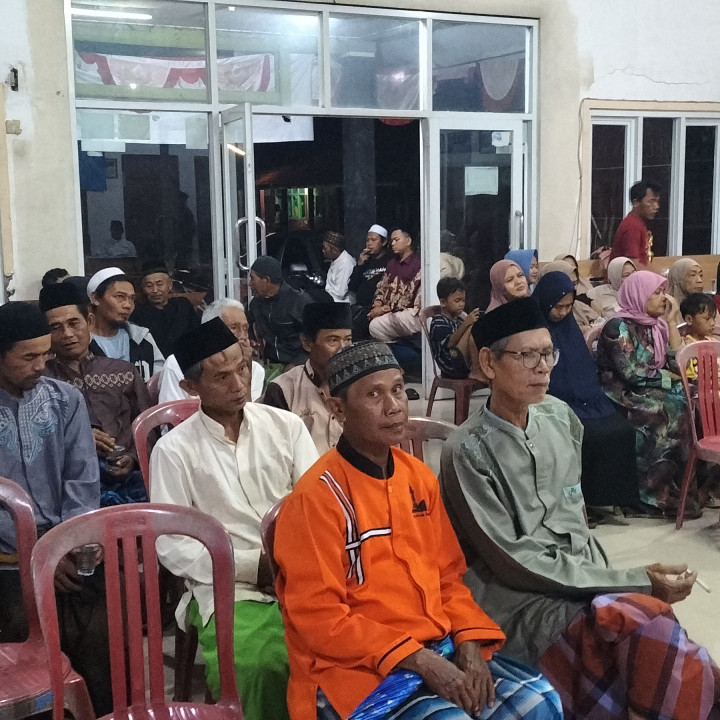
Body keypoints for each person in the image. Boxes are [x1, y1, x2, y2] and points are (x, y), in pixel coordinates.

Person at [439, 298, 720, 720]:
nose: (543, 368)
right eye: (527, 355)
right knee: (646, 624)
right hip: (518, 597)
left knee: (651, 630)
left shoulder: (560, 417)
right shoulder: (467, 451)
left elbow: (576, 520)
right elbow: (513, 561)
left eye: (548, 353)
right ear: (489, 363)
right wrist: (630, 581)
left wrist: (613, 584)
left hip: (581, 577)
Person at [274, 340, 562, 720]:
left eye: (398, 389)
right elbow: (320, 618)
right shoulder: (316, 499)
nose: (393, 406)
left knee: (541, 701)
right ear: (338, 408)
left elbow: (448, 578)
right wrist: (420, 660)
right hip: (354, 672)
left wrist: (468, 643)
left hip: (436, 646)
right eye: (374, 395)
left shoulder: (418, 478)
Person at [150, 318, 318, 720]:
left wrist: (297, 560)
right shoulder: (173, 451)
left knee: (345, 647)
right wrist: (250, 566)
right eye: (222, 377)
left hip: (304, 574)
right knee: (262, 666)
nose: (239, 384)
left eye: (242, 368)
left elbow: (318, 505)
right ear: (191, 387)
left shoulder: (286, 427)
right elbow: (171, 543)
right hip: (229, 587)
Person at [0, 301, 112, 716]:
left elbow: (82, 479)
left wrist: (64, 545)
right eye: (28, 357)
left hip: (64, 547)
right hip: (8, 558)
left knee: (98, 634)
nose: (41, 365)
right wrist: (36, 552)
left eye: (45, 354)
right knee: (19, 640)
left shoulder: (65, 400)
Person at [533, 272, 639, 523]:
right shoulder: (535, 328)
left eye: (568, 306)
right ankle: (582, 501)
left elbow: (581, 367)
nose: (563, 312)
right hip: (554, 399)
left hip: (587, 398)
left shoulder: (569, 327)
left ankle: (610, 498)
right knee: (587, 434)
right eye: (558, 307)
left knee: (622, 431)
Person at [40, 282, 151, 505]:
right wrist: (79, 437)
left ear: (89, 322)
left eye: (74, 323)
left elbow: (148, 428)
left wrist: (132, 457)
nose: (67, 334)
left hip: (132, 478)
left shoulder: (124, 372)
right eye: (55, 328)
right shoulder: (41, 382)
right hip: (71, 484)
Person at [596, 271, 696, 516]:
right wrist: (668, 378)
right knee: (671, 409)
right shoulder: (617, 327)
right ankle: (649, 493)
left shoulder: (656, 326)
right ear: (639, 295)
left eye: (664, 292)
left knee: (697, 399)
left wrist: (671, 322)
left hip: (649, 386)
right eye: (656, 293)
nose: (663, 298)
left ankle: (687, 487)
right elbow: (631, 372)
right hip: (622, 393)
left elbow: (676, 364)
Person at [262, 302, 352, 454]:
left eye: (348, 340)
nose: (342, 349)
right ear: (307, 343)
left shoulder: (361, 385)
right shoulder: (283, 390)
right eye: (333, 340)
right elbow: (275, 452)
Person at [158, 298, 264, 405]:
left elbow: (248, 413)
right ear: (210, 330)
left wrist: (247, 370)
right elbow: (170, 412)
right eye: (233, 328)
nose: (242, 336)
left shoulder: (255, 369)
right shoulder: (177, 364)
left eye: (245, 329)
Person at [86, 267, 165, 382]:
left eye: (132, 299)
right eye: (119, 297)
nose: (128, 305)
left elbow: (160, 381)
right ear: (96, 298)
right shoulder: (80, 342)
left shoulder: (142, 338)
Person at [248, 255, 312, 369]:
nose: (249, 284)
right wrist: (251, 343)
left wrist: (297, 363)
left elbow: (317, 338)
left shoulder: (299, 302)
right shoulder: (255, 304)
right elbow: (247, 327)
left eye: (252, 278)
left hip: (300, 367)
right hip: (270, 366)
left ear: (266, 280)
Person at [130, 261, 200, 357]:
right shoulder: (137, 314)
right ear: (143, 288)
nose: (155, 290)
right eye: (149, 286)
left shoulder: (183, 306)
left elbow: (198, 336)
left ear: (169, 285)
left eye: (159, 284)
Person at [368, 225, 422, 342]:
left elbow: (407, 299)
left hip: (408, 314)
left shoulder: (418, 265)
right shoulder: (392, 263)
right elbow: (381, 287)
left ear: (408, 241)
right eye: (392, 240)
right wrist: (377, 305)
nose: (392, 244)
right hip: (387, 311)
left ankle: (394, 348)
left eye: (396, 240)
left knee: (375, 326)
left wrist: (382, 310)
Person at [429, 277, 481, 380]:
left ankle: (479, 367)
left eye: (463, 300)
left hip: (462, 362)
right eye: (457, 300)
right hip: (450, 365)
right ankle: (476, 370)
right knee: (471, 328)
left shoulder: (458, 320)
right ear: (443, 302)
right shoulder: (438, 321)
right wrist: (466, 324)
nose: (461, 304)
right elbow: (449, 343)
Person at [348, 224, 391, 340]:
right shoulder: (366, 260)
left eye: (373, 240)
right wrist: (359, 265)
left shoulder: (390, 260)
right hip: (361, 307)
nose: (369, 244)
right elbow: (352, 286)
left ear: (383, 242)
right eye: (367, 240)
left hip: (378, 307)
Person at [609, 180, 661, 267]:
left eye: (657, 201)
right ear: (635, 203)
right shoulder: (632, 226)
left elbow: (643, 261)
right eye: (651, 202)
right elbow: (633, 264)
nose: (656, 207)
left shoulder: (638, 223)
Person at [538, 260, 601, 332]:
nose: (563, 312)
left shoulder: (577, 305)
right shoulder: (535, 318)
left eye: (575, 283)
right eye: (568, 283)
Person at [323, 231, 356, 303]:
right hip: (331, 298)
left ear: (334, 250)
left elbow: (340, 293)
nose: (323, 251)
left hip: (342, 303)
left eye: (325, 248)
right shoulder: (335, 259)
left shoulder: (345, 262)